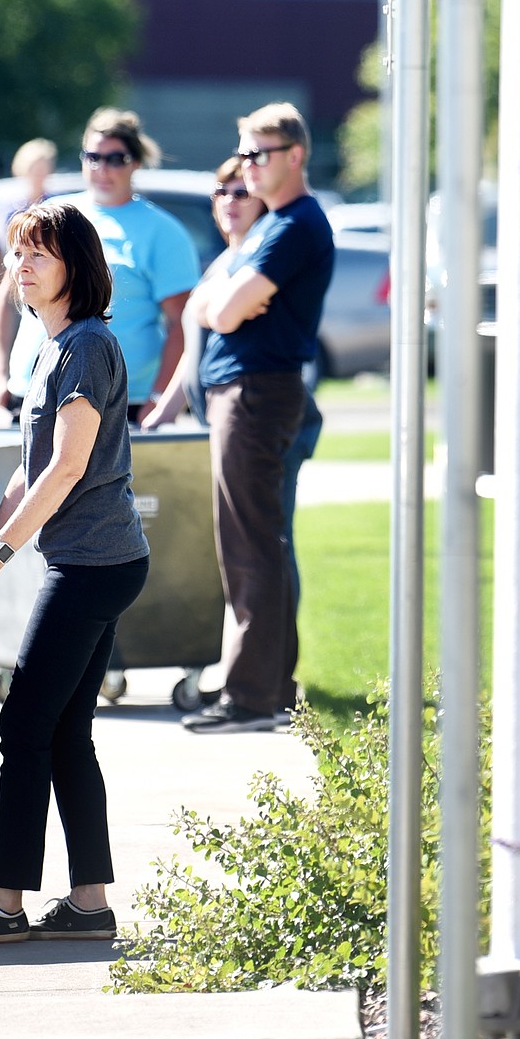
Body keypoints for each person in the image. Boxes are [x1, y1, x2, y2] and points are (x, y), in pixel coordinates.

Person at [0, 202, 150, 946]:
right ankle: (89, 904)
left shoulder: (83, 346)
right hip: (96, 560)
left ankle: (3, 904)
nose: (23, 267)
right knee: (64, 731)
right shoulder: (53, 348)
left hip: (93, 564)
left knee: (25, 723)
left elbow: (68, 466)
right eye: (19, 254)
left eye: (39, 255)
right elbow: (27, 474)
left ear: (76, 268)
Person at [173, 103, 334, 735]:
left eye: (258, 155)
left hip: (258, 393)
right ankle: (270, 688)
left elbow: (228, 309)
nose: (247, 167)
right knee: (252, 541)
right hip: (240, 393)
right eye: (242, 154)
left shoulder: (295, 224)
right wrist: (224, 296)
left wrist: (223, 297)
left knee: (250, 545)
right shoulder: (273, 226)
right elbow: (218, 299)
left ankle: (252, 698)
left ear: (294, 155)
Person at [0, 108, 198, 425]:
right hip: (33, 386)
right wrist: (1, 373)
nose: (102, 167)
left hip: (119, 399)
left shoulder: (163, 231)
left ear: (136, 161)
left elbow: (183, 325)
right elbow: (7, 297)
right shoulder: (51, 213)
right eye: (93, 156)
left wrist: (159, 399)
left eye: (115, 158)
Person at [0, 137, 58, 249]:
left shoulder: (56, 204)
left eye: (43, 169)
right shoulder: (8, 207)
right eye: (35, 169)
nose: (39, 174)